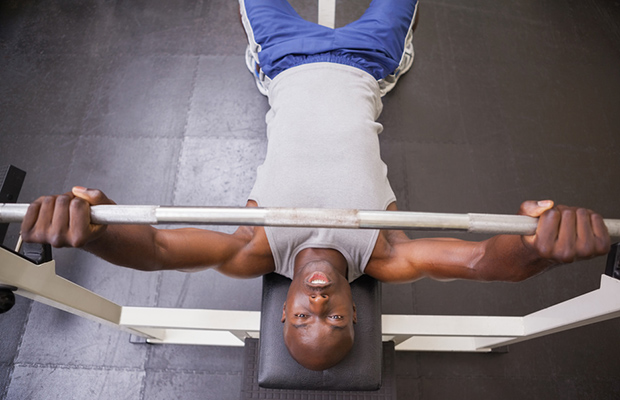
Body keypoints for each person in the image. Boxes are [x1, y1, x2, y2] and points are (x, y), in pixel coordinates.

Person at [20, 0, 610, 371]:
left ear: (284, 316)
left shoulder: (256, 249)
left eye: (303, 320)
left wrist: (96, 233)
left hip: (282, 62)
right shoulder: (385, 255)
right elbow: (483, 260)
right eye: (335, 320)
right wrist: (539, 249)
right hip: (367, 63)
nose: (319, 307)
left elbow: (159, 248)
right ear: (359, 313)